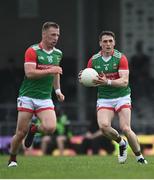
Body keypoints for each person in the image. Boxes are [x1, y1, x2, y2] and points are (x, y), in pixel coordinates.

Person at [79, 31, 147, 164]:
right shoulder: (93, 60)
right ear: (100, 43)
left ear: (114, 43)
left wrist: (107, 82)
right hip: (104, 98)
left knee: (126, 128)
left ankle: (139, 158)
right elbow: (90, 80)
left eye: (110, 41)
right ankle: (121, 143)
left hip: (122, 96)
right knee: (104, 127)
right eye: (105, 41)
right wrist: (83, 78)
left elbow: (124, 81)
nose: (108, 44)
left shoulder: (121, 58)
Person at [8, 21, 65, 167]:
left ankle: (34, 129)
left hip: (45, 98)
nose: (56, 38)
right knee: (20, 133)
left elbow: (56, 72)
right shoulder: (32, 51)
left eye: (57, 35)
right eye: (53, 34)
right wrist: (50, 70)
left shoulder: (58, 53)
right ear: (44, 34)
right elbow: (30, 73)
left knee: (51, 128)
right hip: (27, 96)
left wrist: (57, 90)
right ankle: (12, 158)